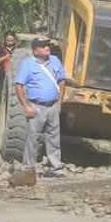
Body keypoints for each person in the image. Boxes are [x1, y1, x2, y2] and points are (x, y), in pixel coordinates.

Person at [15, 36, 70, 176]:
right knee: (33, 138)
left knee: (54, 137)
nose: (47, 48)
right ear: (35, 50)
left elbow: (62, 81)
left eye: (47, 45)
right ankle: (28, 168)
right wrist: (26, 107)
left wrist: (59, 102)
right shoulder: (27, 64)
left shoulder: (55, 61)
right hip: (36, 105)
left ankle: (56, 167)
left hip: (52, 106)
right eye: (43, 46)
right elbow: (19, 86)